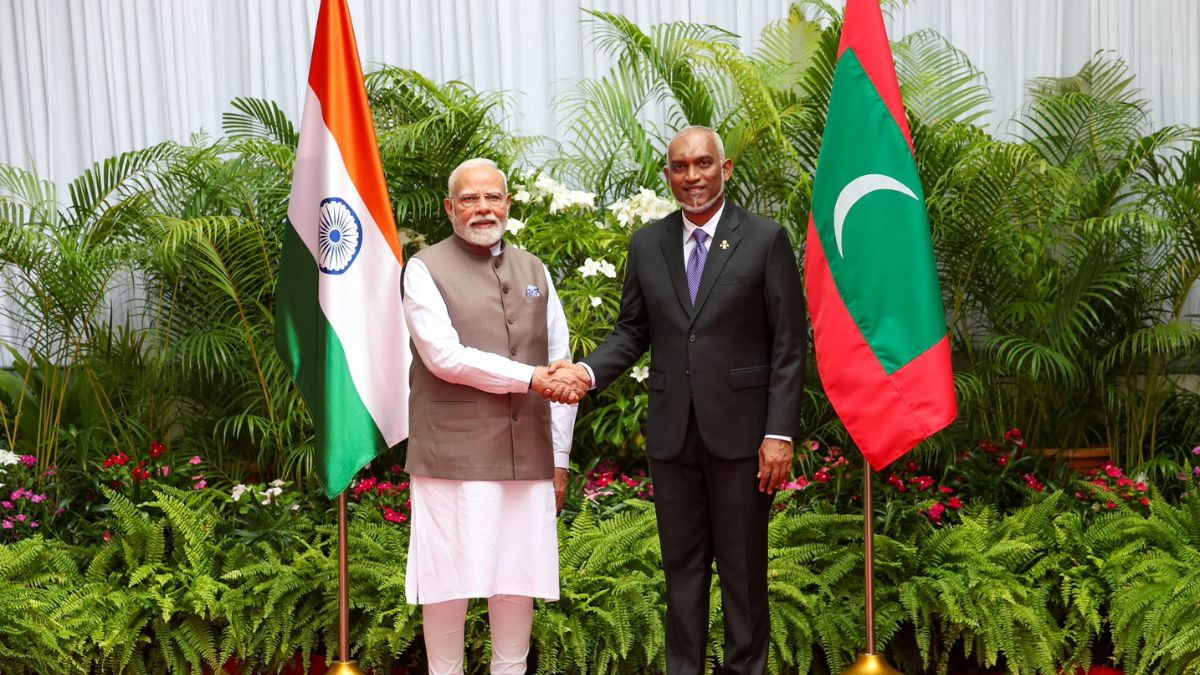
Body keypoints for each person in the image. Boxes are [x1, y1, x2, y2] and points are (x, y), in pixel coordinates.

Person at [550, 127, 807, 675]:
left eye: (703, 165)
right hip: (673, 439)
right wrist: (585, 372)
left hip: (743, 442)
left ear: (726, 168)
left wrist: (778, 433)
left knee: (743, 576)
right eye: (680, 167)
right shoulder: (648, 243)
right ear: (667, 174)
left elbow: (789, 344)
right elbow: (631, 331)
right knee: (682, 574)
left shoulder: (764, 239)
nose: (692, 177)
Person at [402, 158, 584, 675]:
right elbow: (444, 356)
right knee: (446, 581)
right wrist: (530, 378)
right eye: (469, 198)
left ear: (508, 203)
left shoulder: (534, 270)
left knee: (517, 580)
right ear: (449, 208)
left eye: (492, 197)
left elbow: (560, 365)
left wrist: (561, 457)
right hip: (451, 457)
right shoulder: (423, 269)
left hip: (528, 457)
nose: (482, 207)